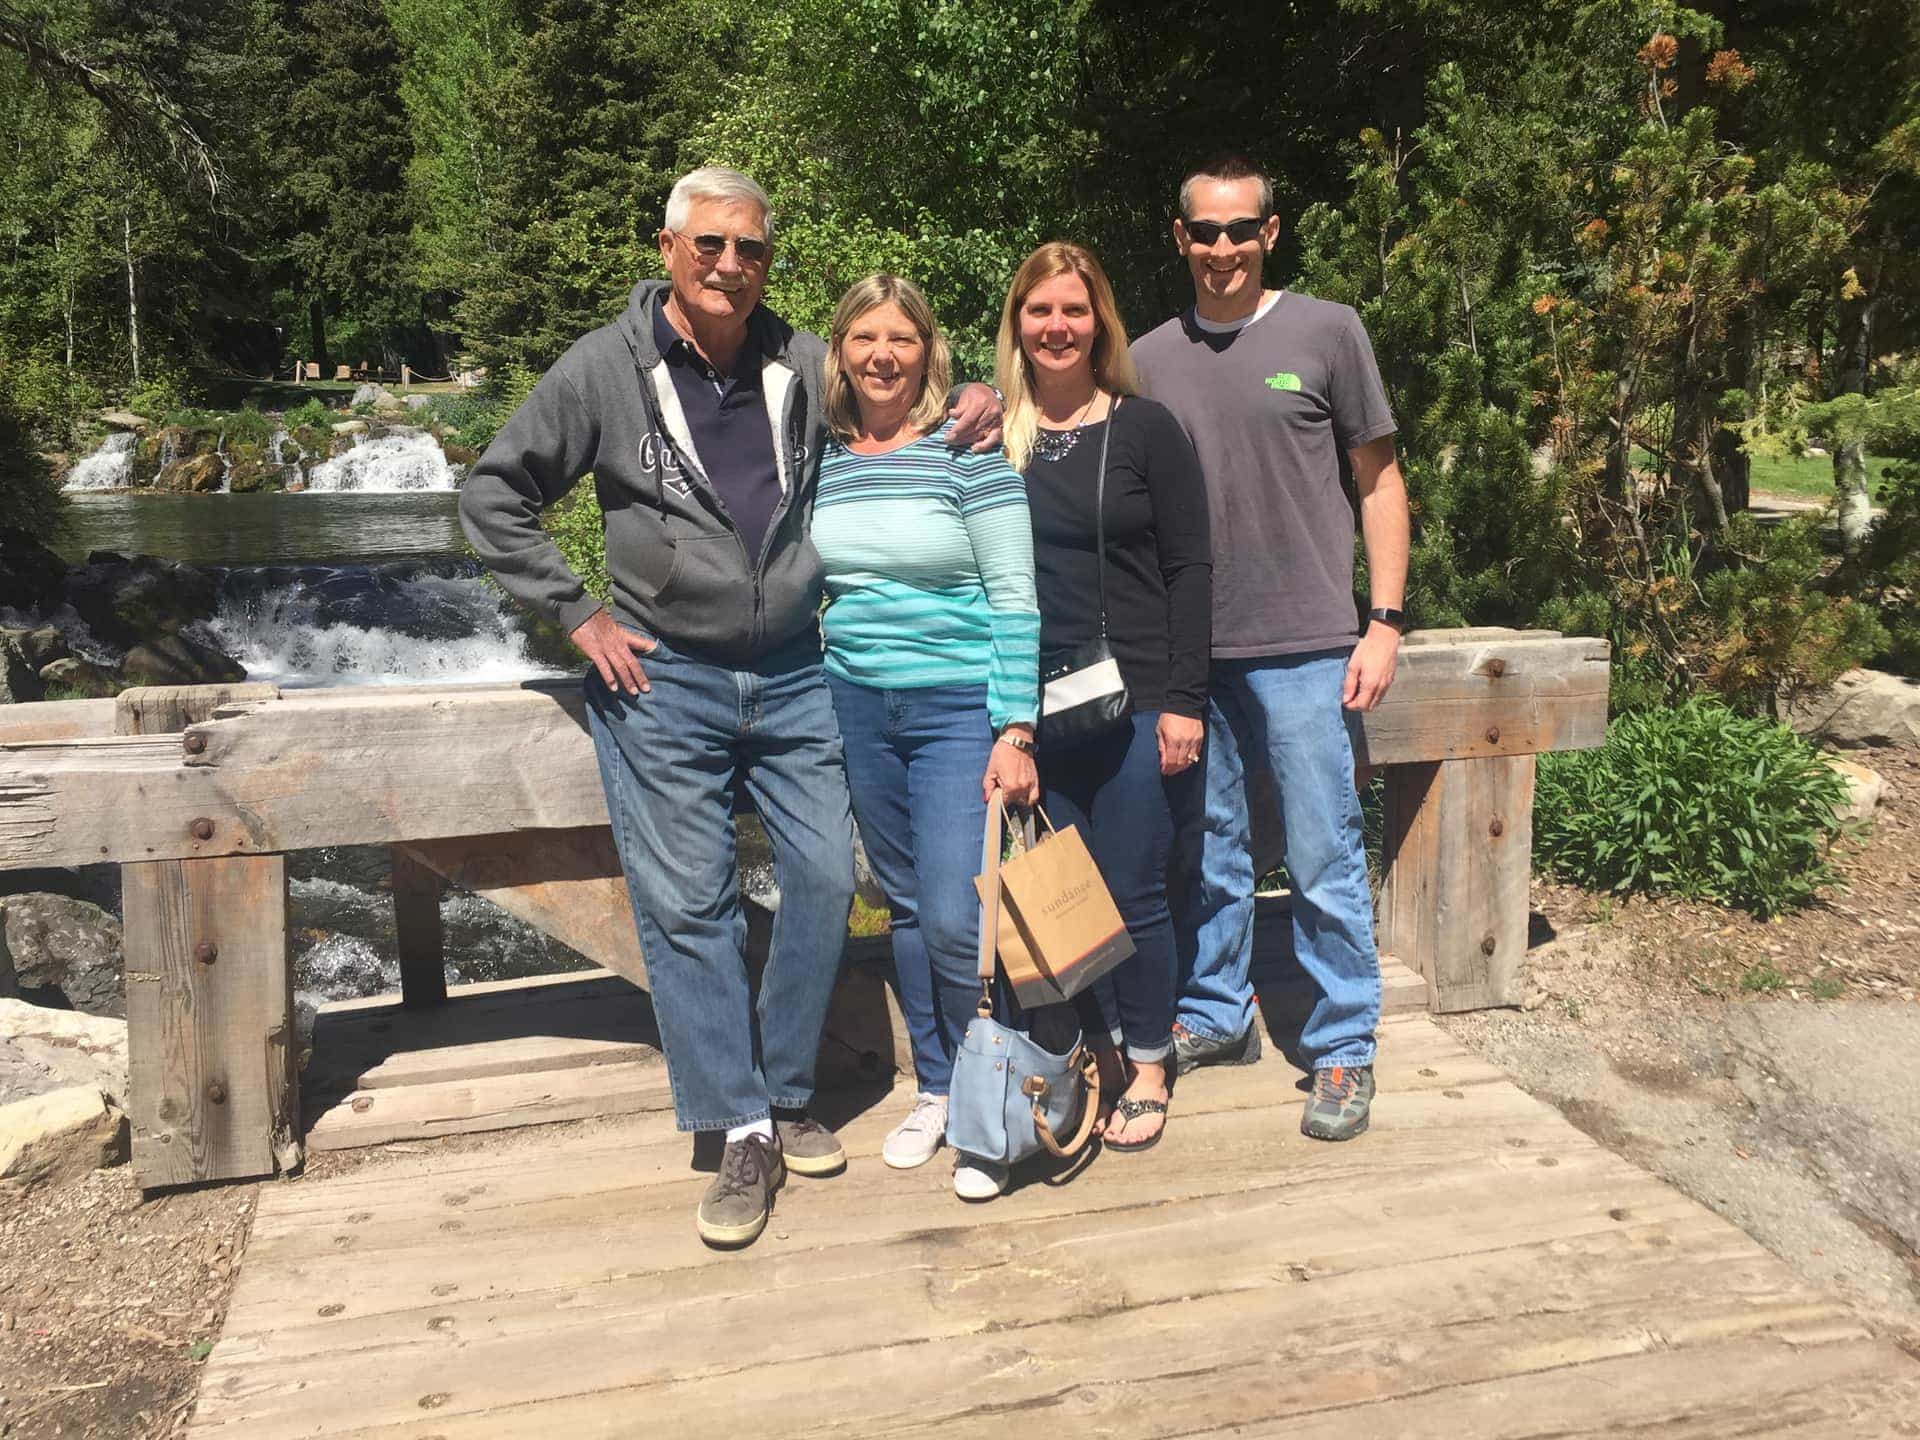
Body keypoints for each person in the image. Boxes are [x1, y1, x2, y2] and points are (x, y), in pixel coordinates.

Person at [458, 167, 1002, 1248]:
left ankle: (787, 1085)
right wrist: (578, 617)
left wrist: (978, 393)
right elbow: (492, 493)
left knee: (819, 877)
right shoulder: (604, 371)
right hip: (665, 676)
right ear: (666, 249)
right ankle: (742, 1123)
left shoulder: (802, 360)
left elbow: (899, 381)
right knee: (691, 899)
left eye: (749, 249)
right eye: (709, 245)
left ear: (768, 261)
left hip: (803, 667)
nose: (728, 266)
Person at [1132, 152, 1410, 1141]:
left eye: (1239, 229)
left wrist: (1385, 620)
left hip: (1306, 641)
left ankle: (1343, 1047)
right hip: (1191, 656)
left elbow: (1378, 482)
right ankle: (1217, 1013)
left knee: (1324, 853)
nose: (1221, 248)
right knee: (1208, 851)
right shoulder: (1149, 357)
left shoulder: (1329, 332)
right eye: (1203, 231)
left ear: (1270, 232)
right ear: (1180, 238)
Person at [811, 273, 1041, 1201]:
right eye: (864, 337)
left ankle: (992, 1104)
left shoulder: (969, 453)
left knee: (959, 913)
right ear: (840, 352)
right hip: (855, 703)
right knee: (902, 904)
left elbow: (1017, 595)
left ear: (929, 352)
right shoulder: (821, 458)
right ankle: (938, 1085)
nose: (882, 355)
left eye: (901, 338)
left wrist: (1015, 724)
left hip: (955, 708)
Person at [994, 242, 1210, 1152]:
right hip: (1030, 709)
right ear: (1017, 326)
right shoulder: (991, 435)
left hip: (1136, 697)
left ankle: (1151, 1062)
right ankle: (1094, 1053)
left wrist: (1186, 700)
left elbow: (1190, 567)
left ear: (1100, 323)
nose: (1057, 327)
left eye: (1074, 311)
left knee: (1133, 892)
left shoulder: (1146, 428)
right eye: (1039, 311)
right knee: (1055, 895)